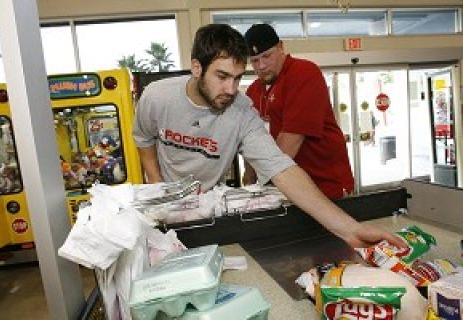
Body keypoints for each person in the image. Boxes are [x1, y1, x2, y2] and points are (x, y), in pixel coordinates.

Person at [132, 23, 405, 249]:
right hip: (165, 202)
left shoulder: (240, 111)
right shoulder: (156, 97)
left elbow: (281, 167)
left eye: (238, 78)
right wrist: (160, 189)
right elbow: (144, 140)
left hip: (207, 207)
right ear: (196, 67)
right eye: (222, 76)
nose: (231, 89)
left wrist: (351, 230)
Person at [243, 23, 354, 200]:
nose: (261, 65)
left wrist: (260, 190)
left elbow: (289, 144)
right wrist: (249, 185)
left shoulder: (304, 73)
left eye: (266, 56)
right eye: (255, 60)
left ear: (281, 48)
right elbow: (250, 143)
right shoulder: (254, 91)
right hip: (285, 189)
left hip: (324, 186)